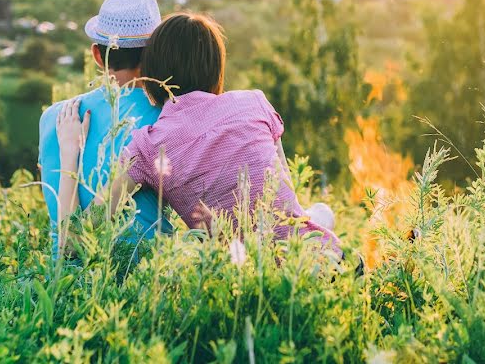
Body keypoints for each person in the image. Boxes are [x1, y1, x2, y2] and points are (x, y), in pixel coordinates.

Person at [56, 12, 339, 251]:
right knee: (316, 215)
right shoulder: (255, 103)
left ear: (152, 71)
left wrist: (70, 150)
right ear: (216, 66)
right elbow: (286, 197)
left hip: (249, 283)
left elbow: (74, 240)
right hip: (321, 261)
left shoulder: (149, 147)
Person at [39, 0, 171, 258]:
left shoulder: (54, 117)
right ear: (154, 54)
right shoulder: (167, 118)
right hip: (139, 279)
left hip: (61, 282)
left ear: (97, 56)